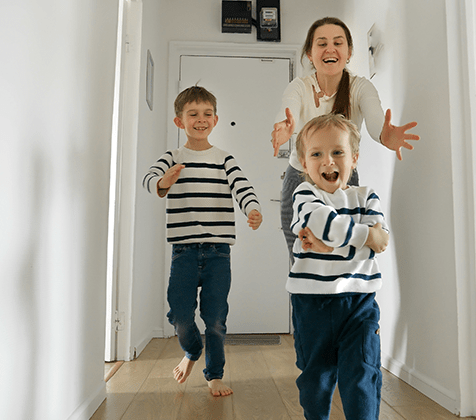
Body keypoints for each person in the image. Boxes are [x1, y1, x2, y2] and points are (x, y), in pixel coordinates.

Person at [142, 86, 263, 397]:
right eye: (193, 114)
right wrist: (162, 181)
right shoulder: (173, 157)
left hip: (218, 253)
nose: (201, 119)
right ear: (179, 121)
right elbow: (150, 178)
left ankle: (214, 375)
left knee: (216, 320)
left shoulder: (224, 159)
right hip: (183, 251)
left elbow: (243, 187)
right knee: (179, 315)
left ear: (216, 119)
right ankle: (192, 351)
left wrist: (252, 209)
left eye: (207, 114)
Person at [271, 17, 418, 263]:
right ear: (310, 53)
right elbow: (289, 111)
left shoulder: (361, 88)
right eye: (322, 43)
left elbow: (375, 122)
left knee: (346, 255)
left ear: (349, 52)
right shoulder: (298, 87)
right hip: (299, 179)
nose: (330, 49)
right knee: (303, 255)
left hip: (343, 180)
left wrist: (385, 134)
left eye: (338, 43)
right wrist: (285, 127)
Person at [288, 113, 389, 420]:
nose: (327, 161)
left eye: (338, 152)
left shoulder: (366, 196)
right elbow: (325, 223)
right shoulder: (305, 195)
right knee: (315, 377)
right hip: (312, 303)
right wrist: (362, 237)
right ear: (305, 164)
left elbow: (381, 242)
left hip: (359, 302)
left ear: (354, 158)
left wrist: (332, 246)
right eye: (316, 154)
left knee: (362, 371)